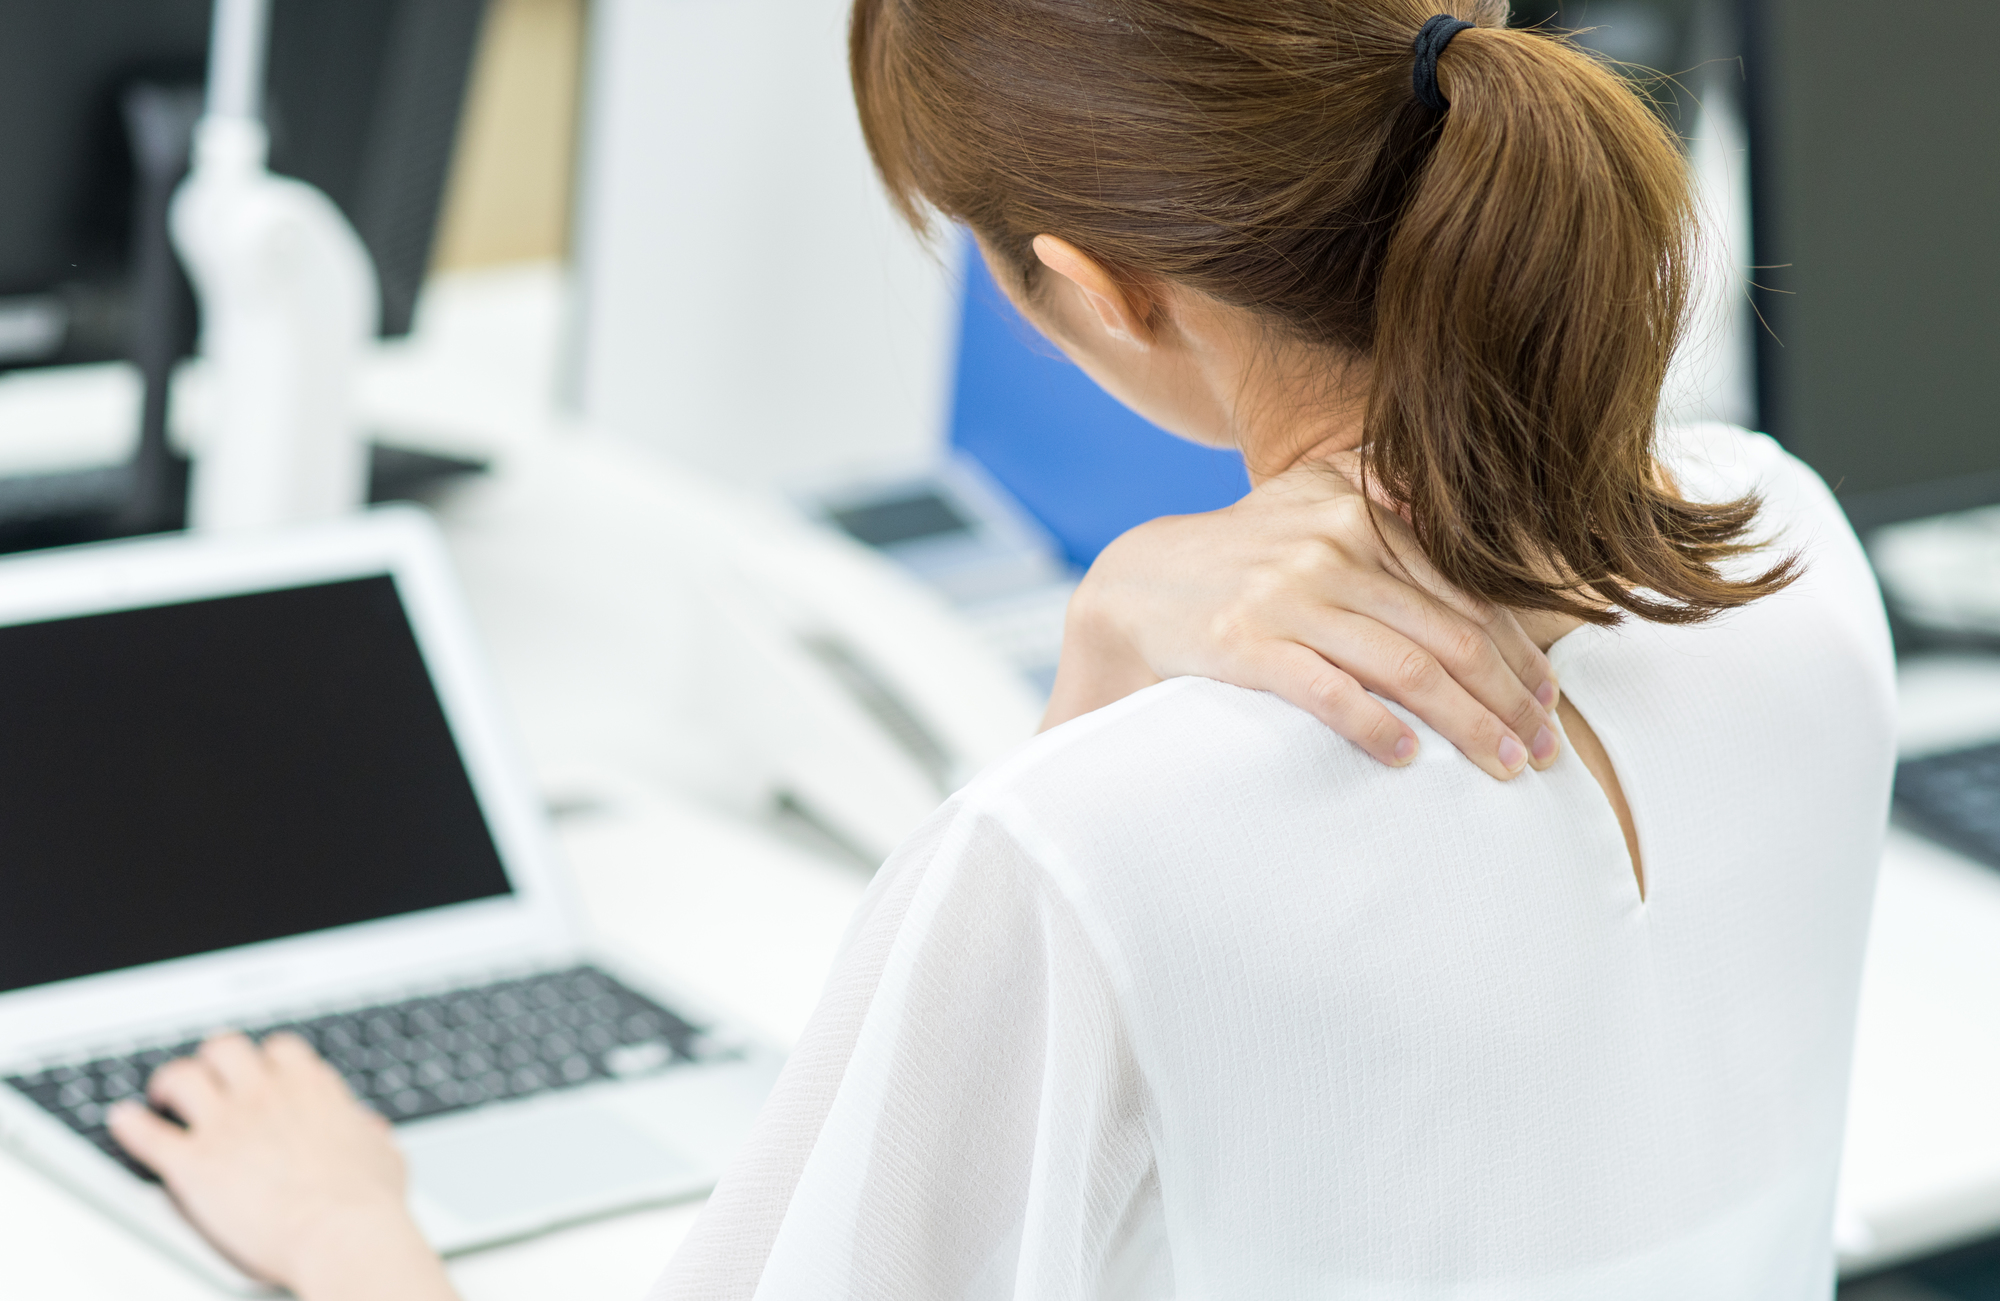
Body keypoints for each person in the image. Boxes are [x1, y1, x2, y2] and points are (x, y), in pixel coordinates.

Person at [105, 1, 1897, 1298]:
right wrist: (1107, 660)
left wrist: (352, 1238)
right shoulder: (1791, 551)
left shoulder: (1090, 852)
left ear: (1102, 287)